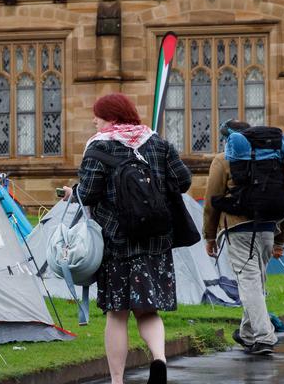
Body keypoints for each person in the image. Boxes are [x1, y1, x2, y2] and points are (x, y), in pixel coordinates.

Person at [61, 93, 192, 384]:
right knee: (148, 310)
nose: (94, 120)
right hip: (156, 241)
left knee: (117, 314)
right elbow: (182, 181)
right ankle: (159, 358)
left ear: (111, 116)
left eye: (97, 115)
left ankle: (117, 381)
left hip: (117, 242)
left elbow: (90, 192)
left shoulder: (99, 146)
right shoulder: (157, 142)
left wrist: (73, 192)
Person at [202, 120, 284, 356]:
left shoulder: (222, 160)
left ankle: (264, 336)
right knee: (255, 282)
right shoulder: (275, 158)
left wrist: (209, 236)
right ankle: (247, 333)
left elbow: (211, 201)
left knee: (248, 283)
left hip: (239, 229)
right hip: (270, 227)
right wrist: (281, 240)